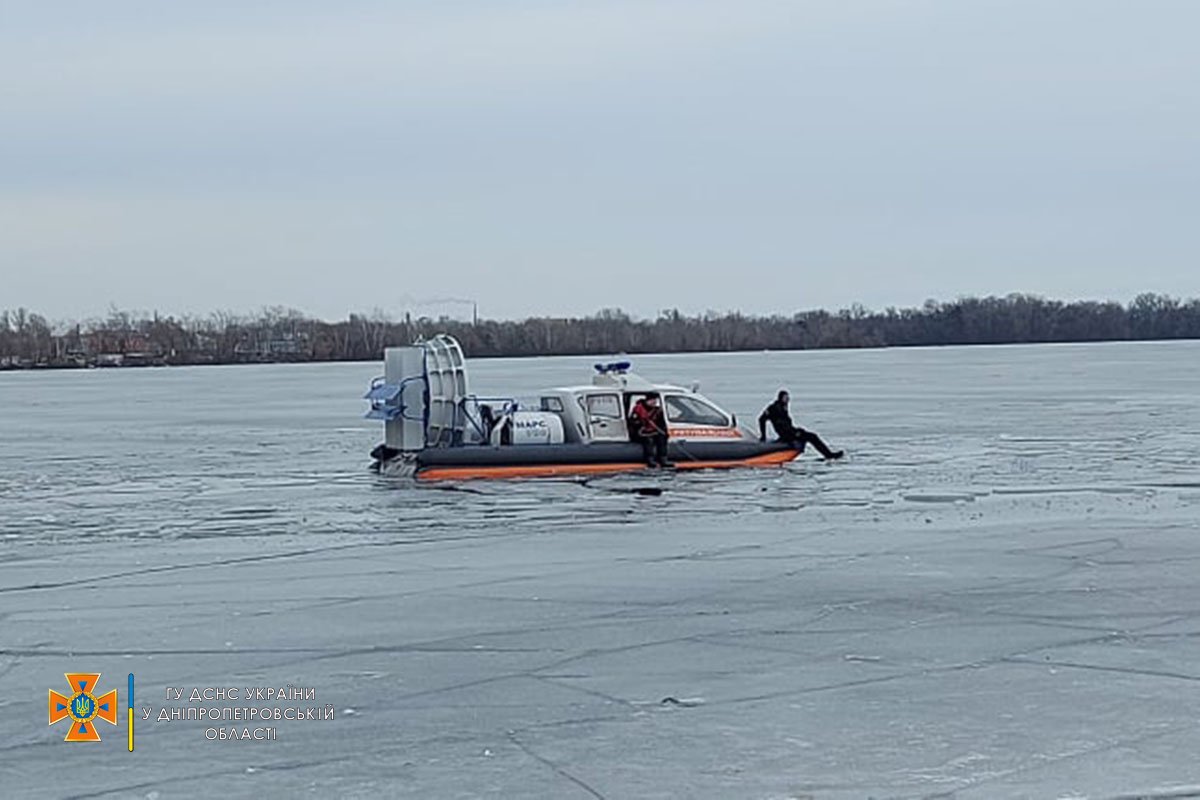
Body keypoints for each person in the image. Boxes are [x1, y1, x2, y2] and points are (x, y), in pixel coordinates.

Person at [758, 389, 844, 459]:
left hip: (790, 432)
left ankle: (828, 454)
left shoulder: (783, 407)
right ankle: (829, 455)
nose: (788, 399)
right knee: (812, 437)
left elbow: (786, 425)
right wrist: (763, 436)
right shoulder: (774, 408)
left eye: (788, 398)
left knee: (809, 435)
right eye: (786, 397)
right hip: (787, 435)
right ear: (781, 398)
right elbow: (762, 419)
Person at [628, 393, 672, 467]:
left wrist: (664, 432)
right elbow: (632, 422)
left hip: (652, 431)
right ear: (647, 400)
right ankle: (650, 459)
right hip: (639, 432)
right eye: (652, 400)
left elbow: (661, 423)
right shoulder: (638, 409)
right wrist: (641, 423)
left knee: (662, 438)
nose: (654, 402)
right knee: (649, 440)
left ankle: (663, 459)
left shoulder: (657, 411)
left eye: (655, 401)